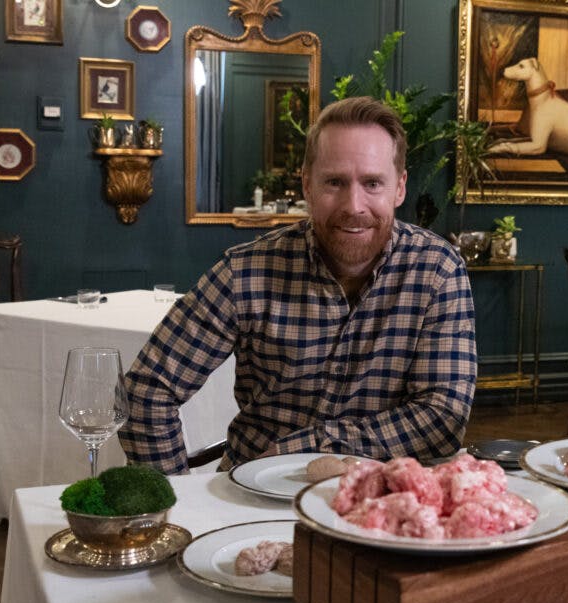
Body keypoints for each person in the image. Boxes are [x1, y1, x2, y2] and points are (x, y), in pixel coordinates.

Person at [119, 96, 477, 473]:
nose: (354, 205)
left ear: (399, 188)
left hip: (384, 507)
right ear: (307, 185)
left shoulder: (437, 270)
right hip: (251, 498)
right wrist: (179, 500)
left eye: (372, 183)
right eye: (334, 182)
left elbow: (443, 417)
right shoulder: (246, 272)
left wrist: (309, 448)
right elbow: (146, 392)